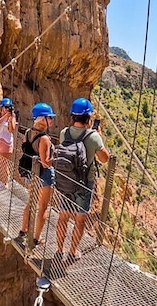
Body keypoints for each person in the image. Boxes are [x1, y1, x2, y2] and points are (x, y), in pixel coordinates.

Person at [55, 97, 110, 263]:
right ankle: (72, 252)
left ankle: (59, 250)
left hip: (65, 180)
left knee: (63, 216)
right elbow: (105, 158)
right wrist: (98, 136)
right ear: (88, 118)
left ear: (73, 116)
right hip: (85, 183)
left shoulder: (64, 133)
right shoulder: (93, 137)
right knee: (80, 220)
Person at [19, 102, 56, 247]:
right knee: (43, 207)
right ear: (43, 119)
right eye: (50, 117)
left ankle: (24, 229)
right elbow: (45, 162)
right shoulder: (44, 139)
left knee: (31, 202)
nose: (52, 120)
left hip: (31, 174)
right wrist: (58, 158)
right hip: (44, 175)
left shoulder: (28, 133)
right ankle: (36, 238)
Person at [0, 97, 16, 187]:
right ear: (1, 107)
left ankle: (4, 182)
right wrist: (5, 116)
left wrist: (9, 118)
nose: (7, 109)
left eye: (9, 107)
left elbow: (11, 129)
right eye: (6, 107)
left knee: (3, 163)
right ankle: (0, 178)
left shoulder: (12, 117)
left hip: (5, 142)